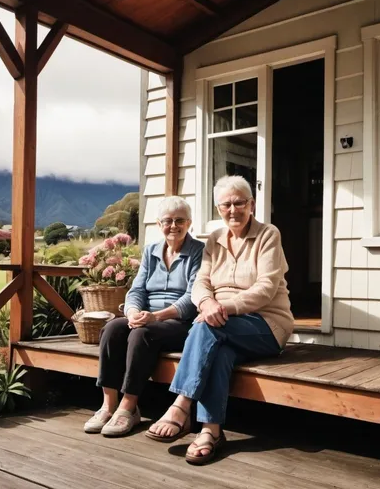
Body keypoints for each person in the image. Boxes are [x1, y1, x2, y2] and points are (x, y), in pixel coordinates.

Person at [146, 175, 294, 464]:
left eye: (239, 203)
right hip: (223, 323)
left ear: (251, 204)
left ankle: (181, 404)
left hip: (266, 324)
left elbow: (265, 288)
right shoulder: (214, 239)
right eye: (226, 204)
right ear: (218, 208)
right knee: (220, 352)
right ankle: (210, 431)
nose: (233, 210)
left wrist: (221, 307)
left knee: (205, 325)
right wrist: (206, 301)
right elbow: (201, 282)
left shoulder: (268, 235)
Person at [84, 196, 204, 437]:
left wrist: (155, 317)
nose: (173, 226)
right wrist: (132, 312)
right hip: (147, 317)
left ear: (189, 223)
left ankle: (128, 407)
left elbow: (192, 297)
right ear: (159, 225)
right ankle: (108, 405)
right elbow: (137, 290)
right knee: (113, 329)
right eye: (167, 221)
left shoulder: (198, 252)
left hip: (179, 323)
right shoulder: (151, 251)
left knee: (142, 334)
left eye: (179, 220)